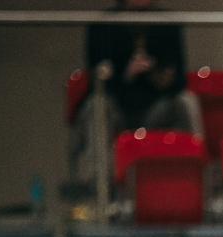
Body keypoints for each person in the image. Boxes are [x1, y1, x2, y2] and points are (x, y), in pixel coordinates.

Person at [72, 0, 200, 182]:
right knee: (97, 105)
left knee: (187, 101)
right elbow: (96, 84)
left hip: (155, 106)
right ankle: (101, 185)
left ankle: (190, 178)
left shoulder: (167, 23)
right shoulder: (102, 26)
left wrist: (164, 81)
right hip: (118, 106)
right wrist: (127, 75)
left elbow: (180, 80)